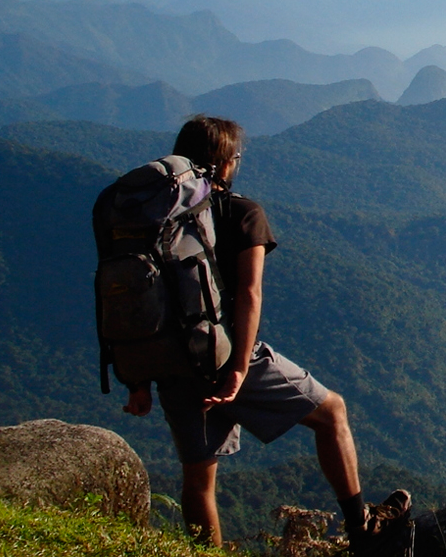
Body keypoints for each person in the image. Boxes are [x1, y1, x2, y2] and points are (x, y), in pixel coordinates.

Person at [118, 114, 409, 549]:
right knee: (332, 414)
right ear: (226, 163)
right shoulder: (242, 213)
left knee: (199, 481)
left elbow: (131, 300)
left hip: (172, 362)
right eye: (237, 156)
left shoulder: (155, 221)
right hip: (229, 355)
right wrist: (237, 368)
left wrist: (136, 379)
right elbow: (250, 295)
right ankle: (361, 528)